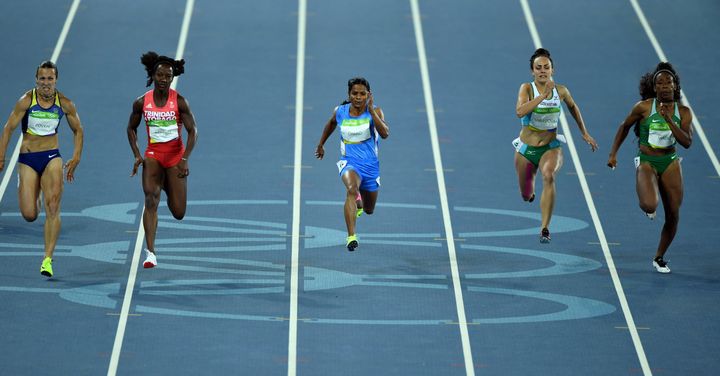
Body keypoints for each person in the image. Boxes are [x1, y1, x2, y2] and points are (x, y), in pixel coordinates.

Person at [0, 61, 84, 277]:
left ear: (56, 80)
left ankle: (47, 258)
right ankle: (32, 191)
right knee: (29, 215)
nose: (46, 83)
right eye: (42, 79)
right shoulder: (27, 101)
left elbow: (78, 130)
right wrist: (1, 157)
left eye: (50, 79)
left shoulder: (65, 103)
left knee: (53, 206)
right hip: (28, 158)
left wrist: (76, 157)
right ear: (37, 80)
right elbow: (8, 128)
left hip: (51, 157)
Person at [607, 62, 692, 274]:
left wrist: (668, 120)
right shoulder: (644, 107)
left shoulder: (683, 112)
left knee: (673, 215)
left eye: (668, 82)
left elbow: (687, 142)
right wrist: (613, 154)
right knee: (648, 204)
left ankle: (659, 257)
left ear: (675, 86)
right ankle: (649, 205)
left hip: (670, 160)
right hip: (646, 160)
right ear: (654, 88)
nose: (664, 86)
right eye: (660, 83)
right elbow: (624, 126)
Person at [514, 48, 598, 243]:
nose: (543, 71)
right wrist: (543, 96)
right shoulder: (526, 88)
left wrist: (584, 132)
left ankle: (545, 228)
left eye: (546, 67)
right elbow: (519, 112)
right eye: (538, 68)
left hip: (550, 147)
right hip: (526, 149)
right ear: (532, 71)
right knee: (526, 195)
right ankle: (531, 193)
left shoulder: (561, 91)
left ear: (553, 70)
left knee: (549, 175)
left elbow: (573, 107)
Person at [127, 51, 198, 268]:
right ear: (153, 75)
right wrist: (138, 155)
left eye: (168, 77)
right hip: (153, 156)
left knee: (178, 212)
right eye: (160, 75)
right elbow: (131, 128)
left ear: (172, 78)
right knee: (150, 198)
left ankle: (167, 184)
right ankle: (151, 253)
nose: (163, 80)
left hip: (175, 156)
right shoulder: (141, 102)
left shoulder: (180, 102)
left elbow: (193, 131)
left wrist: (185, 159)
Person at [315, 77, 390, 251]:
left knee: (369, 210)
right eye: (354, 93)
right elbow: (331, 123)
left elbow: (385, 134)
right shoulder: (340, 111)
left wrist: (371, 111)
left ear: (368, 95)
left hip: (370, 166)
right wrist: (321, 144)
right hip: (349, 162)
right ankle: (351, 236)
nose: (358, 97)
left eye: (362, 94)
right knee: (351, 189)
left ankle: (360, 202)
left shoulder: (376, 111)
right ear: (349, 95)